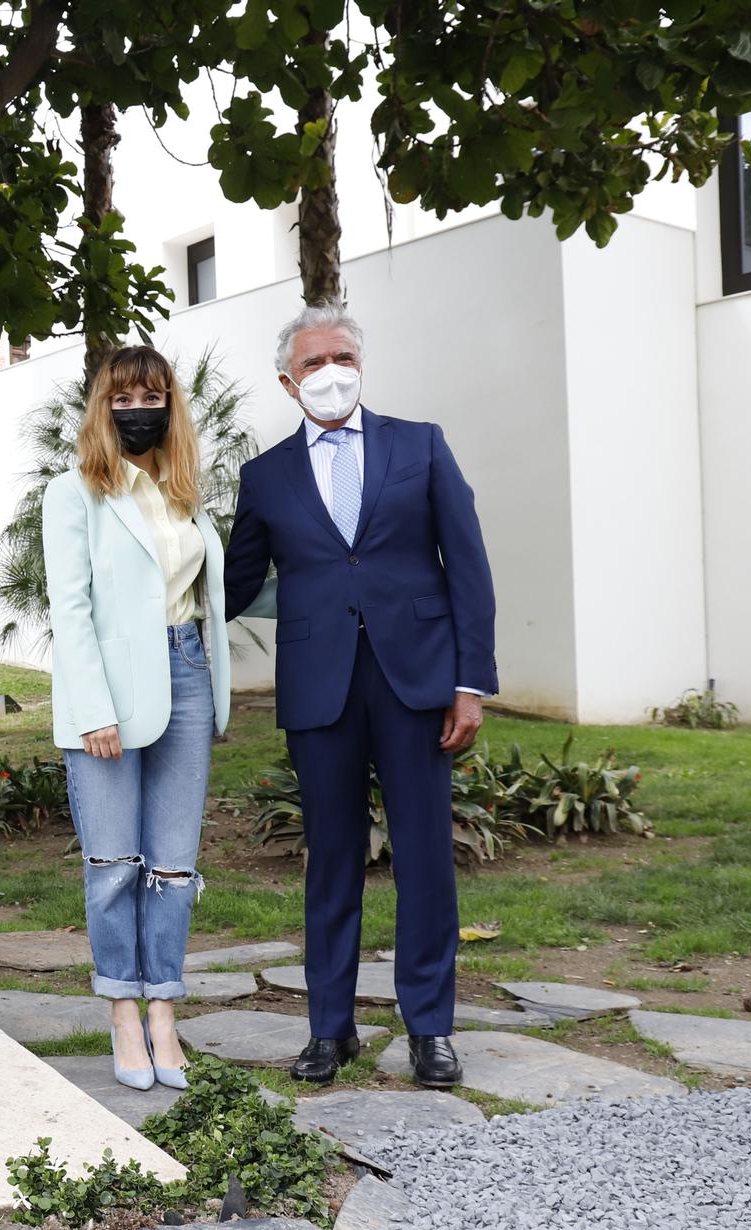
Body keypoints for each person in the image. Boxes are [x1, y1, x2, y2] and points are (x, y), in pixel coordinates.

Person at [225, 304, 497, 1089]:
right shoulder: (264, 475)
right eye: (312, 363)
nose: (329, 371)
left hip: (417, 680)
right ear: (288, 380)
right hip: (321, 689)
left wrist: (470, 681)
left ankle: (430, 1027)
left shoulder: (421, 444)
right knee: (332, 861)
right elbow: (233, 580)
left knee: (423, 859)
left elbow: (468, 565)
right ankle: (328, 1028)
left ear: (362, 362)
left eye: (341, 355)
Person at [42, 345, 232, 1091]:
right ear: (103, 407)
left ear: (169, 404)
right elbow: (72, 608)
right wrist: (93, 708)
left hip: (186, 675)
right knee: (115, 864)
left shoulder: (184, 491)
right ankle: (123, 1006)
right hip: (110, 693)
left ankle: (164, 1013)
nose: (137, 409)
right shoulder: (76, 492)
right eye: (123, 398)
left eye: (151, 396)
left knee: (174, 868)